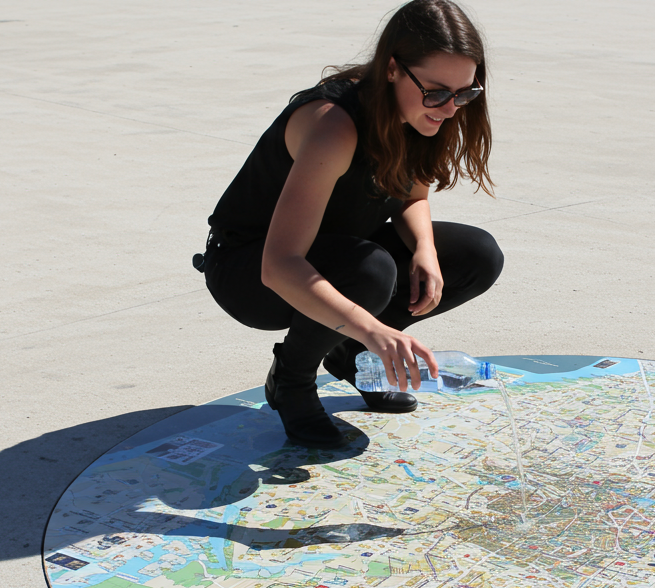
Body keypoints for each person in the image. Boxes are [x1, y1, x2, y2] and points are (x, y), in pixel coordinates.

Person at [198, 0, 503, 449]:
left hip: (339, 253)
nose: (451, 107)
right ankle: (291, 381)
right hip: (249, 270)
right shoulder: (333, 126)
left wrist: (425, 250)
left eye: (466, 93)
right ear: (394, 69)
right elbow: (279, 264)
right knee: (371, 270)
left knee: (477, 255)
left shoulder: (423, 112)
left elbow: (412, 194)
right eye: (438, 92)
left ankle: (349, 353)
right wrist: (372, 328)